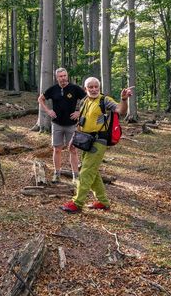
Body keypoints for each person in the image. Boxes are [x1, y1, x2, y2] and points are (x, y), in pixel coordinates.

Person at [61, 77, 132, 213]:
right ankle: (102, 201)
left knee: (86, 171)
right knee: (93, 171)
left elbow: (120, 110)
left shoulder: (104, 100)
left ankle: (77, 203)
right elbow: (80, 122)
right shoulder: (84, 101)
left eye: (96, 87)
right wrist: (72, 140)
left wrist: (124, 99)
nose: (93, 89)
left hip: (99, 141)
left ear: (99, 88)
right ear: (85, 89)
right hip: (85, 140)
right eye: (90, 87)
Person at [38, 68, 86, 183]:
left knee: (73, 149)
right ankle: (57, 174)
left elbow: (87, 99)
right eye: (60, 76)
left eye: (65, 75)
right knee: (57, 149)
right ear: (57, 77)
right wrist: (48, 111)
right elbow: (40, 99)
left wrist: (80, 112)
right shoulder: (53, 89)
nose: (63, 78)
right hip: (57, 124)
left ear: (67, 76)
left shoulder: (74, 88)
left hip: (72, 125)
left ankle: (75, 176)